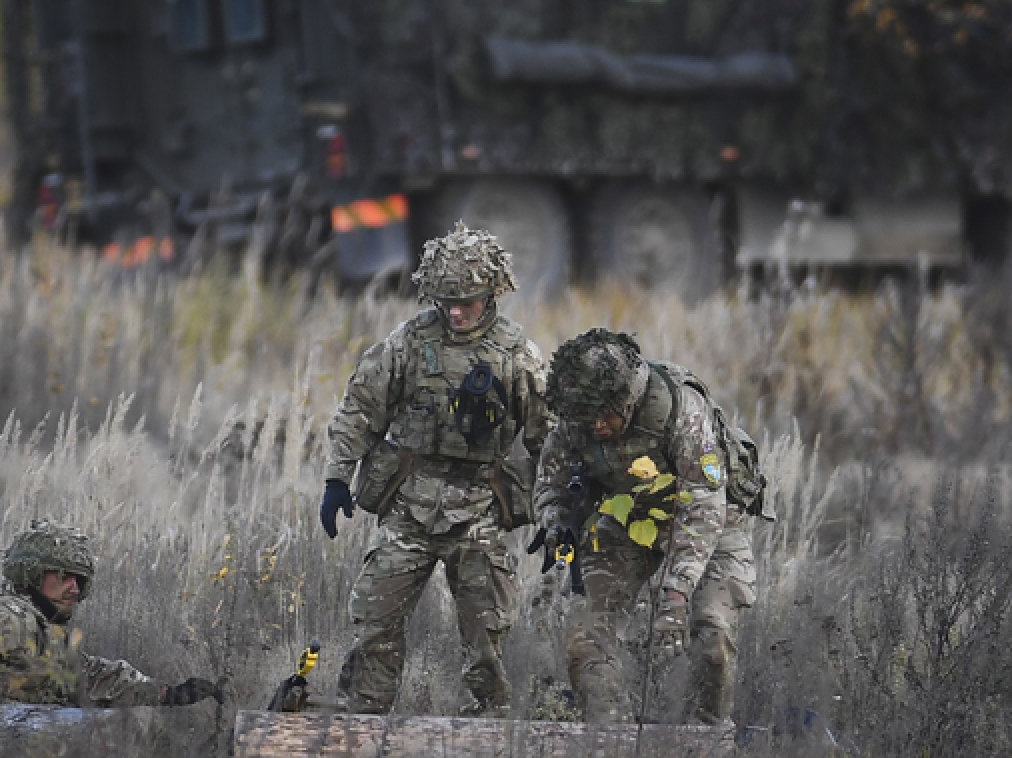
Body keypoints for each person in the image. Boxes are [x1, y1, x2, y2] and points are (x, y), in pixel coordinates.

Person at [321, 222, 551, 715]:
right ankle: (362, 717)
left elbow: (547, 442)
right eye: (446, 300)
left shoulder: (518, 356)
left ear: (491, 294)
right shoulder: (407, 343)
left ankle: (490, 727)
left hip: (478, 511)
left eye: (467, 300)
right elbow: (361, 408)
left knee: (487, 634)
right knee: (374, 619)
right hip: (410, 506)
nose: (456, 311)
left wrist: (557, 513)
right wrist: (337, 477)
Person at [533, 328, 756, 725]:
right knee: (586, 638)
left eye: (606, 416)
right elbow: (551, 482)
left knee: (711, 636)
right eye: (588, 418)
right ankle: (608, 743)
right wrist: (555, 524)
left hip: (708, 526)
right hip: (629, 520)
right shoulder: (578, 417)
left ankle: (703, 745)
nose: (597, 426)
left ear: (628, 400)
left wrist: (676, 594)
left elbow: (703, 509)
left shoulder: (681, 413)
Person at [0, 521, 221, 710]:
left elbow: (92, 677)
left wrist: (169, 694)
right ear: (33, 575)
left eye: (80, 580)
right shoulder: (10, 615)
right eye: (64, 577)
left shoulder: (45, 630)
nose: (74, 588)